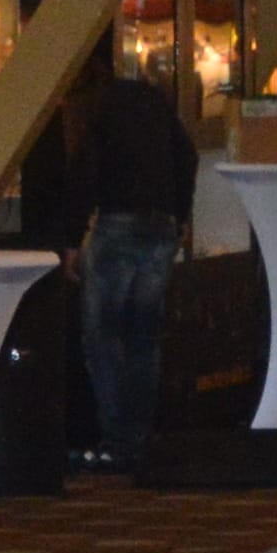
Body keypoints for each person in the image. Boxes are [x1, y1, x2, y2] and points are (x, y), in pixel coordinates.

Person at [66, 29, 197, 469]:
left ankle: (116, 438)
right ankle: (139, 437)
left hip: (117, 223)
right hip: (161, 227)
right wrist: (179, 214)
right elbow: (187, 155)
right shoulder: (150, 99)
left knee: (102, 335)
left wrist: (71, 238)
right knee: (144, 337)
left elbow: (85, 171)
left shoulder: (95, 107)